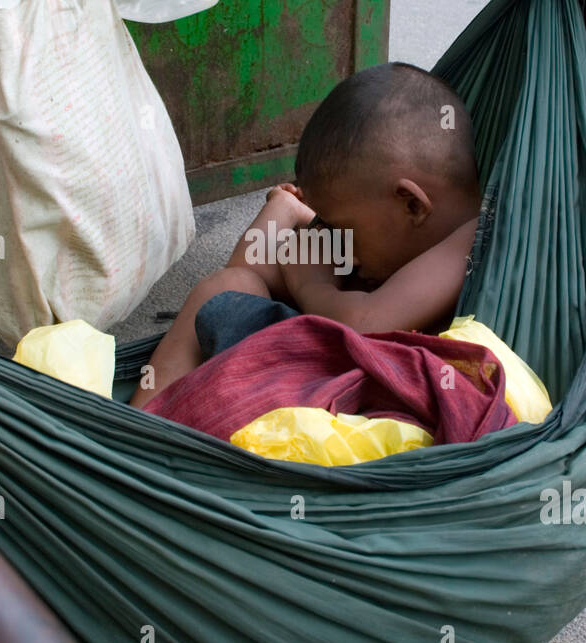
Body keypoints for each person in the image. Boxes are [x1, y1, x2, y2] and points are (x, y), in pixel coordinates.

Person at [129, 62, 482, 405]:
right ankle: (142, 423)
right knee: (227, 285)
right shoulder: (381, 237)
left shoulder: (468, 239)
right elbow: (247, 272)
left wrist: (311, 285)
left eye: (343, 230)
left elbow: (364, 324)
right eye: (329, 225)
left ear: (413, 205)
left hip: (356, 365)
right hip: (330, 337)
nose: (342, 246)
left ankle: (293, 210)